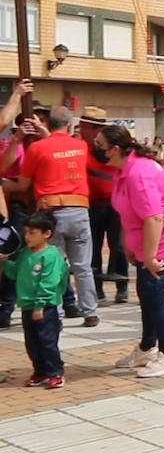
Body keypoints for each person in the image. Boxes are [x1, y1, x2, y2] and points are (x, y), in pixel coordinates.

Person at [100, 125, 164, 378]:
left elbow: (154, 217)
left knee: (153, 292)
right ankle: (147, 347)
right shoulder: (125, 169)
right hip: (149, 236)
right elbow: (126, 212)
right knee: (146, 292)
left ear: (116, 149)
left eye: (101, 145)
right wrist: (130, 247)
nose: (97, 150)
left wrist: (151, 257)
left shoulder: (138, 173)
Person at [16, 105, 99, 327]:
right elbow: (62, 149)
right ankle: (90, 311)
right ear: (70, 125)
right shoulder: (80, 146)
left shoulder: (37, 148)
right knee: (82, 266)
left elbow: (23, 183)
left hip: (50, 212)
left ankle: (57, 314)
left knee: (54, 266)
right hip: (79, 210)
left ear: (48, 124)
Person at [0, 211, 67, 389]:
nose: (27, 236)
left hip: (45, 307)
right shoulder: (24, 253)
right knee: (32, 342)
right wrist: (5, 262)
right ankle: (40, 371)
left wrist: (40, 305)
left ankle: (55, 372)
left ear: (47, 234)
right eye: (26, 232)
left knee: (47, 341)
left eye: (32, 232)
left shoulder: (51, 255)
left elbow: (49, 282)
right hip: (27, 306)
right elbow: (15, 273)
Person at [78, 107, 127, 305]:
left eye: (85, 127)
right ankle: (97, 288)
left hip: (115, 205)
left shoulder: (112, 147)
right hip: (93, 205)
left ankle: (122, 286)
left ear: (96, 129)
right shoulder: (80, 147)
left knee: (120, 246)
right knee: (94, 248)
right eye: (81, 126)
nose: (81, 130)